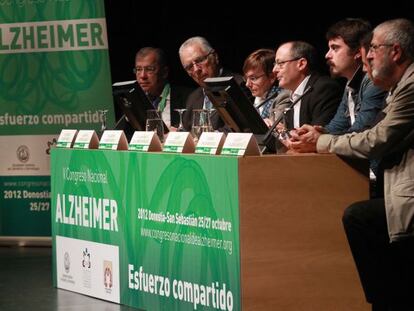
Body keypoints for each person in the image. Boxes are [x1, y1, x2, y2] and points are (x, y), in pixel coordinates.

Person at [285, 18, 414, 311]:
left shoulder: (409, 85)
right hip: (392, 183)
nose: (368, 55)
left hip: (403, 192)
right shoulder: (392, 86)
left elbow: (375, 139)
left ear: (395, 51)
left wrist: (320, 142)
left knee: (358, 216)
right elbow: (342, 129)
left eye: (374, 49)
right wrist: (319, 134)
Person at [324, 18, 387, 135]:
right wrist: (316, 132)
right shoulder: (350, 83)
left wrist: (320, 138)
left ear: (358, 52)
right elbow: (337, 126)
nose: (327, 55)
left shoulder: (373, 80)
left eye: (335, 48)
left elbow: (361, 130)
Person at [272, 41, 342, 131]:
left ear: (301, 64)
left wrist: (285, 134)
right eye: (275, 64)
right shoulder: (293, 95)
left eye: (280, 64)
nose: (274, 70)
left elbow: (315, 135)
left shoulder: (324, 89)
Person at [178, 36, 244, 131]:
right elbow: (186, 130)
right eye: (189, 67)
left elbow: (237, 129)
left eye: (200, 60)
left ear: (215, 56)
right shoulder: (193, 97)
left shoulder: (239, 85)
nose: (196, 70)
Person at [134, 47, 193, 130]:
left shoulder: (189, 97)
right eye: (138, 69)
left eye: (149, 69)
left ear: (164, 72)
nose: (142, 76)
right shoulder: (135, 103)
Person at [242, 48, 289, 126]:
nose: (247, 84)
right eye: (246, 78)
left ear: (272, 77)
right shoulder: (256, 97)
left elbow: (276, 129)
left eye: (253, 78)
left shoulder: (282, 97)